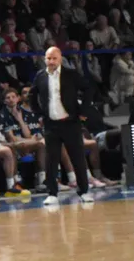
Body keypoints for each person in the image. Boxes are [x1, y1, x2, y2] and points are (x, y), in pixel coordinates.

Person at [31, 47, 92, 206]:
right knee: (51, 159)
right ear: (45, 59)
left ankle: (84, 191)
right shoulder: (40, 76)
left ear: (60, 59)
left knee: (78, 157)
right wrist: (39, 114)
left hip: (70, 122)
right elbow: (32, 95)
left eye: (54, 58)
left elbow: (88, 88)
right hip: (51, 124)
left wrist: (83, 110)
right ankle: (52, 193)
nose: (51, 61)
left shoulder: (71, 74)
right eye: (48, 58)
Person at [0, 88, 47, 189]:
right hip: (11, 145)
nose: (11, 99)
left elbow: (27, 134)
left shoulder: (23, 112)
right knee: (21, 145)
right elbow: (12, 139)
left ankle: (42, 181)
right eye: (8, 98)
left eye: (13, 97)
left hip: (25, 143)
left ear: (18, 98)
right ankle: (14, 183)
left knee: (41, 145)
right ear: (4, 101)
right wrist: (29, 141)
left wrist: (20, 120)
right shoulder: (2, 114)